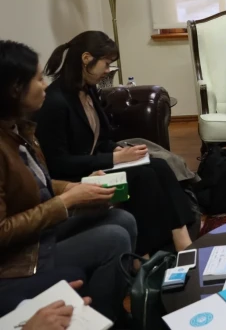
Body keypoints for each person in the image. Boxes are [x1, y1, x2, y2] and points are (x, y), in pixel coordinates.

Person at [0, 40, 135, 322]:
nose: (45, 85)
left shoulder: (19, 129)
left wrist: (75, 187)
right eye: (38, 79)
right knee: (114, 237)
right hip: (17, 258)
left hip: (38, 236)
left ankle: (112, 310)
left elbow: (40, 182)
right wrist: (65, 201)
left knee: (123, 219)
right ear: (15, 89)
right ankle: (100, 319)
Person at [35, 31, 195, 255]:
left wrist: (117, 149)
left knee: (159, 165)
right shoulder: (56, 102)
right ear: (86, 58)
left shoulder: (88, 90)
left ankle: (182, 237)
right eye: (106, 63)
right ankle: (143, 254)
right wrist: (115, 158)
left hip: (95, 165)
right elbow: (58, 163)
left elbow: (100, 139)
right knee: (143, 176)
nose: (108, 70)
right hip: (76, 177)